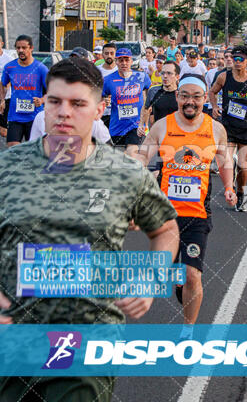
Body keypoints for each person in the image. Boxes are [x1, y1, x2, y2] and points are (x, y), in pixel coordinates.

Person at [0, 57, 179, 402]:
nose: (64, 112)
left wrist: (150, 279)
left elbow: (166, 229)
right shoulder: (8, 167)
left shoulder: (126, 173)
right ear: (44, 105)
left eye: (77, 103)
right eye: (55, 102)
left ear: (99, 110)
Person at [137, 73, 236, 337]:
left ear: (205, 98)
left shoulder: (216, 128)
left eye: (196, 97)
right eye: (184, 96)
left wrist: (229, 187)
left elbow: (225, 161)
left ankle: (188, 330)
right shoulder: (161, 126)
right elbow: (141, 157)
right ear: (177, 97)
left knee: (193, 275)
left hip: (197, 216)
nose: (189, 102)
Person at [209, 45, 247, 212]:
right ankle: (231, 189)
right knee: (227, 162)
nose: (237, 61)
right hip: (227, 126)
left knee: (242, 166)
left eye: (241, 59)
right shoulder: (223, 77)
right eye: (234, 58)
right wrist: (214, 107)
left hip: (246, 127)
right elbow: (212, 92)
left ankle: (241, 192)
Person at [0, 35, 48, 147]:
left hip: (34, 117)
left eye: (24, 48)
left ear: (31, 48)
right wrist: (2, 99)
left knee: (32, 150)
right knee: (12, 148)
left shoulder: (41, 68)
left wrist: (41, 100)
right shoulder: (10, 67)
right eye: (18, 48)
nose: (20, 51)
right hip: (15, 115)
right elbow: (3, 84)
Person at [102, 48, 151, 153]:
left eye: (127, 60)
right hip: (117, 126)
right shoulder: (108, 80)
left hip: (136, 125)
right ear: (116, 62)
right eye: (121, 60)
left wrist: (146, 121)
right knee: (119, 161)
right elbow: (98, 96)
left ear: (131, 61)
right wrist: (104, 100)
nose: (124, 63)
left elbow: (150, 91)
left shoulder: (142, 77)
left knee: (131, 154)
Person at [140, 60, 180, 128]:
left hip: (179, 135)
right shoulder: (153, 91)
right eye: (162, 73)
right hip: (160, 134)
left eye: (169, 73)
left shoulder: (183, 93)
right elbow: (145, 108)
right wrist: (141, 125)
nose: (165, 76)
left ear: (177, 76)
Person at [98, 43, 118, 128]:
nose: (109, 56)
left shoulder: (120, 70)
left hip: (118, 114)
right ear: (102, 54)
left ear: (115, 54)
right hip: (102, 113)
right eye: (106, 53)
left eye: (112, 53)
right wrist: (102, 98)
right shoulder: (97, 70)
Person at [0, 35, 12, 138]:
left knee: (3, 131)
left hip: (6, 97)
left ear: (2, 44)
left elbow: (11, 80)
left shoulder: (8, 60)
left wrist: (2, 100)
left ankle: (13, 146)